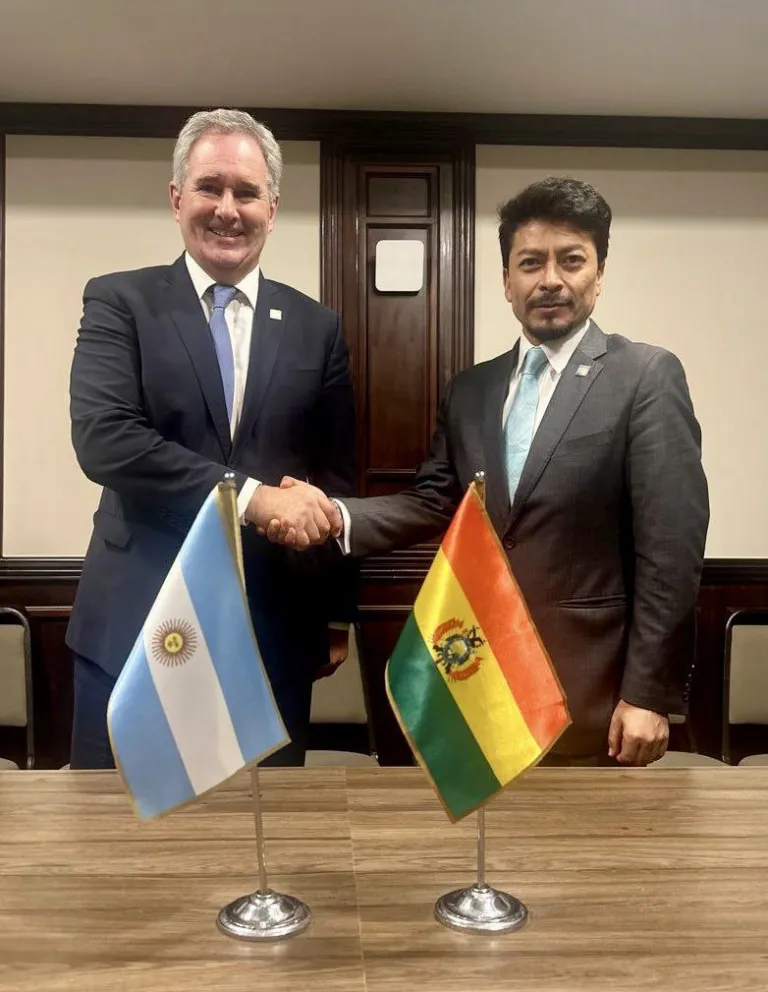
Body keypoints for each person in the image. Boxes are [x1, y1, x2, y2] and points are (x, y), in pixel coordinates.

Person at [271, 176, 709, 766]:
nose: (550, 279)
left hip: (593, 698)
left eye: (571, 260)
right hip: (478, 682)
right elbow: (433, 500)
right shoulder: (471, 390)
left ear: (599, 274)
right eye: (530, 263)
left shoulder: (646, 377)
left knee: (579, 858)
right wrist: (334, 513)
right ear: (507, 282)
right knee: (482, 857)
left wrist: (648, 693)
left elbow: (672, 550)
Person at [67, 108, 356, 769]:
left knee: (262, 852)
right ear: (177, 199)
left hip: (271, 640)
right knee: (113, 846)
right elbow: (104, 439)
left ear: (272, 207)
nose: (228, 209)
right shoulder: (119, 302)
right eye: (210, 187)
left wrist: (335, 617)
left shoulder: (317, 328)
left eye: (246, 192)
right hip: (134, 634)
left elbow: (336, 478)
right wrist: (249, 496)